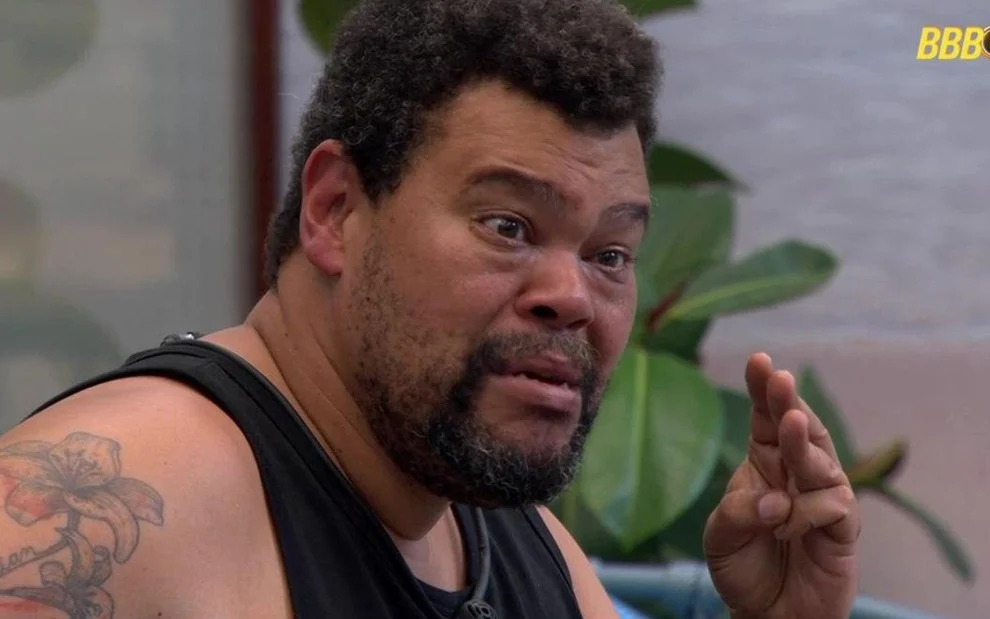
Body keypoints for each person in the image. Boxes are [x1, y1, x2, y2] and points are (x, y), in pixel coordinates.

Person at [0, 0, 859, 617]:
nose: (571, 297)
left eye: (609, 255)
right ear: (336, 210)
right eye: (507, 225)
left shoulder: (517, 543)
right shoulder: (111, 506)